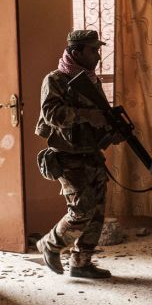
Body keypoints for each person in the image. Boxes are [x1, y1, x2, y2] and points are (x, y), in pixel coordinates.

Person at [34, 29, 123, 279]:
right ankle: (49, 245)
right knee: (82, 209)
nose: (97, 55)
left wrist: (110, 130)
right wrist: (86, 115)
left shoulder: (91, 80)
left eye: (98, 49)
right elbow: (51, 115)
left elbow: (99, 117)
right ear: (76, 52)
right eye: (93, 50)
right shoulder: (55, 80)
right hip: (67, 156)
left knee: (97, 212)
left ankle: (81, 263)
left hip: (91, 154)